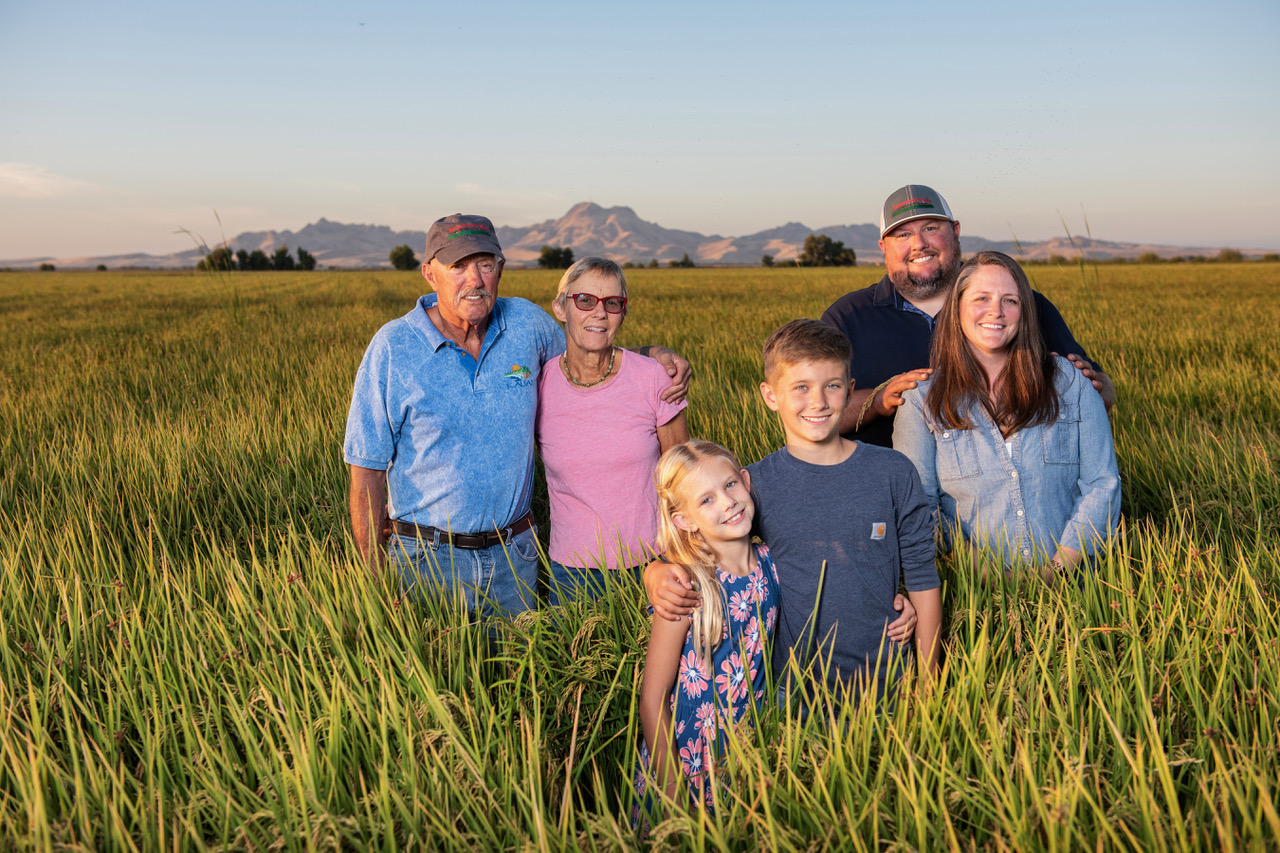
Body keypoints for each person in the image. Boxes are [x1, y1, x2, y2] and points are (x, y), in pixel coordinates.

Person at [343, 214, 690, 617]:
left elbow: (589, 345)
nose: (474, 279)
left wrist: (654, 355)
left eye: (485, 264)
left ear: (500, 270)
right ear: (429, 274)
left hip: (514, 560)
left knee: (517, 677)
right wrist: (375, 580)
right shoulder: (393, 347)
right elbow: (365, 468)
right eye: (457, 266)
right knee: (435, 675)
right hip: (426, 561)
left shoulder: (525, 323)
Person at [646, 320, 941, 710]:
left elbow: (923, 578)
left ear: (851, 391)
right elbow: (699, 547)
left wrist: (928, 689)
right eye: (800, 387)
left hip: (889, 685)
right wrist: (655, 572)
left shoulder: (893, 472)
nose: (817, 402)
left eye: (832, 386)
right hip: (793, 695)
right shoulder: (751, 485)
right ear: (770, 396)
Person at [821, 184, 1115, 449]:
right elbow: (815, 412)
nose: (919, 243)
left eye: (931, 228)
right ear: (884, 246)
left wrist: (1092, 386)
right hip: (891, 495)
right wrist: (879, 401)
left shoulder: (1020, 305)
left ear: (956, 231)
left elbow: (1103, 394)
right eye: (903, 234)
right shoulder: (847, 317)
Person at [892, 252, 1121, 578]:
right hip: (976, 601)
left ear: (1024, 311)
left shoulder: (1069, 382)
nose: (996, 311)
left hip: (1080, 590)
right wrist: (996, 579)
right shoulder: (920, 400)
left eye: (1010, 300)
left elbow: (1102, 485)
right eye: (981, 298)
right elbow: (920, 508)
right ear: (956, 309)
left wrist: (1055, 572)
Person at [634, 439, 780, 816]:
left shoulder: (774, 565)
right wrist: (672, 796)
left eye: (730, 485)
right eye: (706, 500)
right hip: (686, 761)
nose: (727, 502)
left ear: (746, 482)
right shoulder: (686, 586)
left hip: (751, 752)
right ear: (684, 520)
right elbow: (653, 697)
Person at [536, 257, 690, 605]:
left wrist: (682, 559)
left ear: (624, 312)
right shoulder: (540, 383)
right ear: (561, 308)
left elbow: (683, 478)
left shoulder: (653, 378)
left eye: (613, 303)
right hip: (572, 575)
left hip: (654, 566)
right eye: (585, 301)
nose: (599, 313)